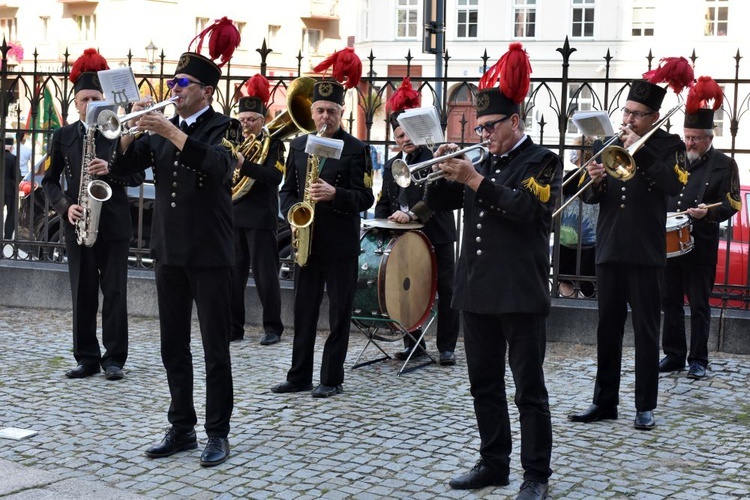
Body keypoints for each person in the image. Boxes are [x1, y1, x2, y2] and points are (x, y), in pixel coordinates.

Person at [428, 43, 560, 499]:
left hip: (519, 293)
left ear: (515, 123)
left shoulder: (541, 160)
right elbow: (440, 205)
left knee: (528, 389)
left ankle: (536, 475)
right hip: (477, 291)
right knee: (483, 383)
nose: (483, 135)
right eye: (479, 128)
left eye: (489, 128)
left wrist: (472, 178)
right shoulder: (481, 161)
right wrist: (445, 172)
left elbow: (526, 208)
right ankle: (494, 462)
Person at [110, 18, 241, 467]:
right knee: (172, 345)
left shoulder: (225, 127)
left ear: (205, 90)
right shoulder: (162, 130)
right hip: (168, 252)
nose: (173, 88)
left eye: (181, 83)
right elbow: (127, 167)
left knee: (214, 349)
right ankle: (181, 426)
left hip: (210, 254)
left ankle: (217, 433)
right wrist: (130, 128)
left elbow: (220, 168)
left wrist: (169, 130)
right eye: (172, 81)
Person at [568, 57, 692, 431]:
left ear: (653, 116)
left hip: (644, 251)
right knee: (606, 329)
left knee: (645, 331)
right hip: (609, 249)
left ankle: (644, 406)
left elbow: (675, 186)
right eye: (627, 112)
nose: (629, 120)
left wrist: (643, 147)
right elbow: (590, 199)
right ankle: (604, 402)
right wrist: (594, 179)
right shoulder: (608, 143)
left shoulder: (669, 146)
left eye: (637, 115)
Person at [272, 47, 374, 399]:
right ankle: (298, 375)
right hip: (306, 242)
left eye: (332, 110)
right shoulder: (299, 145)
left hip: (341, 243)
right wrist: (292, 212)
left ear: (341, 112)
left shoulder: (357, 149)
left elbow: (366, 199)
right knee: (303, 311)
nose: (325, 116)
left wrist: (336, 193)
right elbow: (286, 191)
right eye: (320, 110)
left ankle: (331, 378)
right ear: (312, 113)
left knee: (339, 313)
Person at [42, 48, 142, 381]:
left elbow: (138, 176)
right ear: (76, 102)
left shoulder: (117, 132)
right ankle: (86, 356)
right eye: (85, 99)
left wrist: (111, 170)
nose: (91, 104)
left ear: (106, 100)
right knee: (82, 292)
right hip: (77, 222)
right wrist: (64, 205)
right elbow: (49, 181)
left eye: (97, 98)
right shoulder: (64, 135)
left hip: (113, 223)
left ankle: (114, 359)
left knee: (114, 292)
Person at [659, 76, 741, 379]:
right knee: (669, 301)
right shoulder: (675, 158)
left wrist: (705, 214)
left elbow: (732, 203)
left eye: (695, 138)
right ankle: (674, 355)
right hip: (670, 242)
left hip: (702, 243)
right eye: (687, 136)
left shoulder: (724, 164)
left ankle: (699, 359)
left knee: (699, 304)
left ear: (709, 137)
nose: (689, 142)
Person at [374, 77, 460, 366]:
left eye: (408, 134)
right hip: (406, 237)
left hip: (437, 232)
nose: (404, 140)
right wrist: (381, 223)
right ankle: (414, 343)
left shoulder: (432, 156)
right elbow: (384, 200)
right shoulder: (390, 165)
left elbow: (434, 198)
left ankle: (447, 346)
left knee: (446, 289)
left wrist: (412, 214)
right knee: (408, 288)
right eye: (399, 136)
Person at [229, 74, 285, 345]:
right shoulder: (232, 142)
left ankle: (273, 328)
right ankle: (233, 328)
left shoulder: (274, 143)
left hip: (261, 217)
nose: (246, 124)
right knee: (233, 275)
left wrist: (244, 165)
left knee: (266, 277)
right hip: (233, 215)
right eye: (242, 120)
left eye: (252, 119)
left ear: (263, 120)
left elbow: (274, 177)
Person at [558, 135, 597, 298]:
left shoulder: (579, 175)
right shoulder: (586, 175)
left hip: (575, 235)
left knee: (570, 279)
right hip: (582, 237)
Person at [3, 137, 19, 241]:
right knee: (11, 214)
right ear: (11, 148)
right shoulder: (13, 158)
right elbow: (16, 176)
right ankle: (7, 237)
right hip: (10, 190)